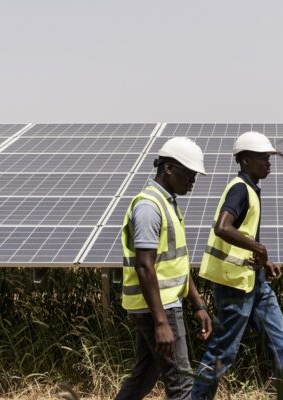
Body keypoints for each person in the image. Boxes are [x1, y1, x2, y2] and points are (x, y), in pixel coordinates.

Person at [192, 132, 283, 400]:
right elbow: (223, 227)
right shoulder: (240, 188)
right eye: (263, 157)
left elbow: (245, 236)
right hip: (234, 287)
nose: (269, 162)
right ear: (246, 160)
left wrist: (264, 261)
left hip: (255, 283)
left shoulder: (251, 189)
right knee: (222, 353)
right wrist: (259, 249)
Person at [116, 137, 212, 400]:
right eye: (189, 173)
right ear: (169, 168)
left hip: (158, 304)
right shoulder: (149, 207)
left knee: (145, 375)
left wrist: (198, 304)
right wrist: (161, 322)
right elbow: (145, 266)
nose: (193, 180)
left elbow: (176, 264)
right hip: (158, 307)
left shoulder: (167, 203)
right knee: (181, 382)